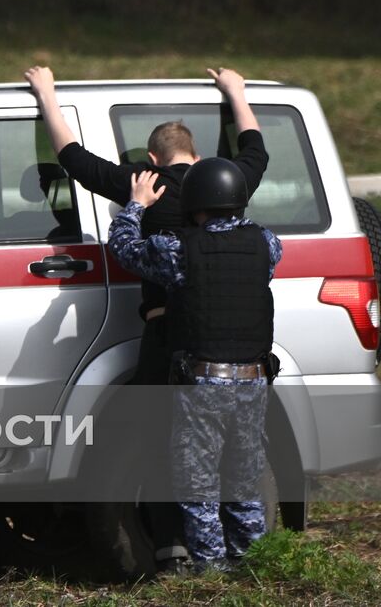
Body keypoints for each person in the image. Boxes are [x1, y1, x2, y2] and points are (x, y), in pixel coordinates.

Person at [25, 65, 268, 572]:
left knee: (164, 444)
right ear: (199, 157)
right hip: (239, 354)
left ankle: (175, 550)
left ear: (153, 158)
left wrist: (48, 93)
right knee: (236, 462)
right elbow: (254, 149)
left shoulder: (144, 182)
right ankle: (251, 557)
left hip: (167, 336)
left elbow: (74, 159)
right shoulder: (244, 208)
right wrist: (235, 91)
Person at [108, 160, 282, 572]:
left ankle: (210, 568)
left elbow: (124, 247)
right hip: (254, 379)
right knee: (243, 476)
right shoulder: (267, 243)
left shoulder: (179, 250)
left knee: (197, 480)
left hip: (205, 382)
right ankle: (253, 563)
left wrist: (136, 205)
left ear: (194, 203)